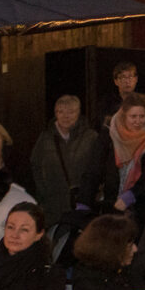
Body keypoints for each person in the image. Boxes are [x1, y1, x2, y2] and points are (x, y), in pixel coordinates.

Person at [101, 93, 145, 228]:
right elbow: (96, 169)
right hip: (114, 206)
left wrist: (132, 195)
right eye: (133, 116)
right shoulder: (110, 137)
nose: (138, 121)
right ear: (124, 116)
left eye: (142, 116)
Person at [27, 96, 99, 229]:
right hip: (52, 206)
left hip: (82, 204)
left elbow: (97, 168)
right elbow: (35, 166)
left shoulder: (91, 137)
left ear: (78, 112)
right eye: (61, 112)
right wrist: (43, 193)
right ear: (55, 113)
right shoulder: (45, 138)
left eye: (71, 112)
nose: (66, 116)